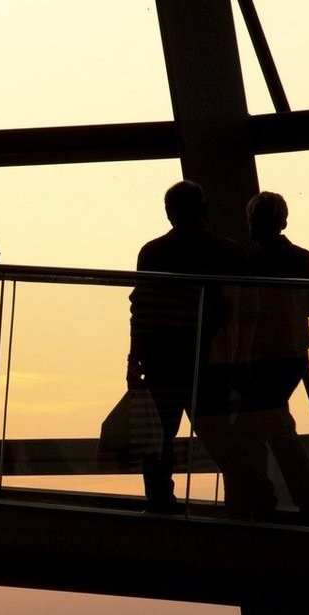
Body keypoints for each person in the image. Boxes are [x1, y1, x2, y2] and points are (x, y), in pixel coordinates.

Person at [215, 191, 309, 517]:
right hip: (294, 353)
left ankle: (291, 500)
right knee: (272, 423)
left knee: (268, 427)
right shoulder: (301, 258)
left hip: (261, 356)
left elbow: (242, 314)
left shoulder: (249, 264)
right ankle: (306, 500)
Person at [128, 181, 246, 513]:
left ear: (170, 213)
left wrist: (134, 356)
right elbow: (234, 309)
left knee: (158, 434)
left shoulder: (152, 252)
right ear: (203, 210)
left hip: (161, 356)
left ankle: (160, 499)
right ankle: (243, 497)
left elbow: (142, 307)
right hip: (211, 357)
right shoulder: (226, 251)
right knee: (221, 432)